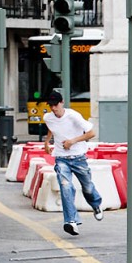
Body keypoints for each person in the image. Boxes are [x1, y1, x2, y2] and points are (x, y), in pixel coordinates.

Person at [43, 91, 103, 236]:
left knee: (87, 187)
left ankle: (96, 205)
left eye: (55, 105)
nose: (53, 108)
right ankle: (71, 221)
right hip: (61, 158)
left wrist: (72, 141)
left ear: (62, 102)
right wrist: (47, 141)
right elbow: (52, 127)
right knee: (66, 187)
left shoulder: (73, 116)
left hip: (78, 157)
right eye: (50, 105)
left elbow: (91, 133)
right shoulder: (47, 117)